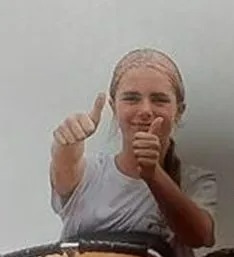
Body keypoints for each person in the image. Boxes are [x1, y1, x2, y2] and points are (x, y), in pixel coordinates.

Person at [49, 48, 217, 257]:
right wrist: (65, 142)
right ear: (113, 106)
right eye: (131, 98)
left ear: (179, 111)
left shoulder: (195, 181)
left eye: (159, 100)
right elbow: (65, 164)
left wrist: (153, 174)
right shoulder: (89, 173)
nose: (145, 110)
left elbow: (200, 237)